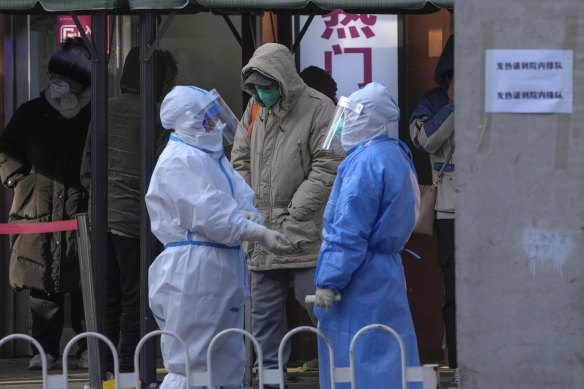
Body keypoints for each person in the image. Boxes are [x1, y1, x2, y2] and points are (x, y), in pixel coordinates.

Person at [146, 85, 294, 389]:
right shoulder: (179, 160)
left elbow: (238, 195)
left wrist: (249, 216)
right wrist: (255, 231)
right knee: (193, 361)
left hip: (219, 264)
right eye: (205, 118)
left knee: (226, 358)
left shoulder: (209, 157)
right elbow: (207, 212)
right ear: (186, 119)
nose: (214, 123)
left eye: (214, 115)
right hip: (193, 269)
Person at [230, 43, 343, 384]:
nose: (261, 94)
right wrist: (249, 206)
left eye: (266, 86)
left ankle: (338, 378)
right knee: (264, 320)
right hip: (261, 236)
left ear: (283, 80)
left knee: (322, 313)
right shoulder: (254, 110)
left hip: (304, 234)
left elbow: (329, 165)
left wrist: (294, 214)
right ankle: (270, 381)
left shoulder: (321, 108)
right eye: (256, 88)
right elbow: (239, 158)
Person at [313, 82, 422, 389]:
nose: (343, 124)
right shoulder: (396, 155)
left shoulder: (363, 164)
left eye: (349, 117)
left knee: (354, 366)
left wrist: (328, 281)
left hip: (358, 281)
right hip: (386, 277)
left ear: (366, 119)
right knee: (391, 363)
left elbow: (347, 233)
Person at [80, 47, 177, 375]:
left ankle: (104, 372)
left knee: (105, 299)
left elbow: (86, 169)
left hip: (100, 219)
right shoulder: (158, 116)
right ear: (160, 78)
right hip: (136, 222)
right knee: (135, 300)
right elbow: (165, 176)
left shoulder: (104, 110)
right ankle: (130, 370)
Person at [0, 37, 91, 370]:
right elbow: (6, 149)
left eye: (70, 77)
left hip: (80, 211)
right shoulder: (31, 112)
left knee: (85, 284)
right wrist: (18, 181)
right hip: (38, 210)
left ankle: (87, 348)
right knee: (42, 286)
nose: (61, 83)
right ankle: (44, 349)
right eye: (57, 74)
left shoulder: (93, 114)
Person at [409, 34, 457, 387]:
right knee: (454, 293)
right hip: (451, 213)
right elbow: (425, 140)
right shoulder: (433, 102)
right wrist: (456, 106)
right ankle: (456, 364)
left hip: (493, 212)